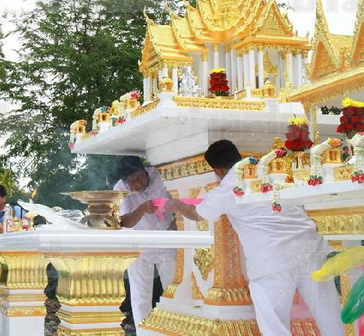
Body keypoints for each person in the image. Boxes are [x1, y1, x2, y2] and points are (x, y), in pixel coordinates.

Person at [168, 140, 343, 336]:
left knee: (274, 325)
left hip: (272, 260)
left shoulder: (227, 187)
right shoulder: (271, 169)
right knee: (329, 315)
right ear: (238, 156)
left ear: (218, 171)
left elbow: (198, 214)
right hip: (311, 250)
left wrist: (176, 205)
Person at [113, 156, 177, 329]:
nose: (139, 184)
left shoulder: (160, 175)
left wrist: (176, 219)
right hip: (138, 244)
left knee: (174, 292)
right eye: (132, 181)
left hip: (167, 240)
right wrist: (142, 208)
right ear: (125, 182)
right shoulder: (120, 188)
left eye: (140, 177)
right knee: (141, 296)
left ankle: (175, 331)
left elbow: (179, 199)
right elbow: (124, 221)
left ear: (144, 170)